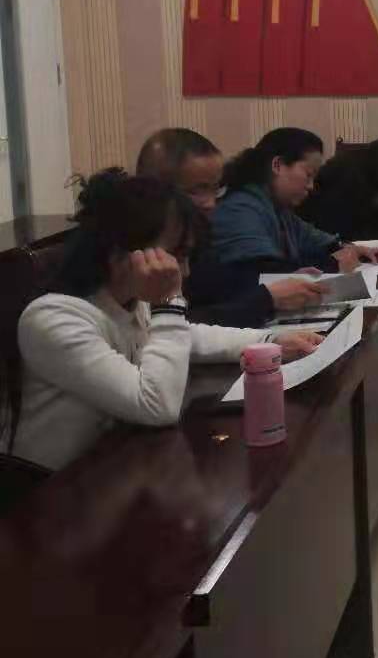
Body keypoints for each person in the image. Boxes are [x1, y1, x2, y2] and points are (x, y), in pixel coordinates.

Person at [5, 170, 321, 471]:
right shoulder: (53, 319)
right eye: (176, 255)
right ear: (121, 252)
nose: (184, 271)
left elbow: (188, 335)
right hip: (51, 489)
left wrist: (267, 342)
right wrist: (167, 303)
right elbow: (156, 405)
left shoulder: (128, 300)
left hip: (114, 463)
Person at [136, 128, 324, 328]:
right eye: (197, 190)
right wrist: (266, 299)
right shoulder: (136, 248)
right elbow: (181, 323)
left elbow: (219, 291)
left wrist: (283, 279)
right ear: (154, 189)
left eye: (216, 189)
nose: (211, 203)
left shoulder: (200, 232)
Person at [198, 128, 378, 303]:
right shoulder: (240, 207)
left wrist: (349, 248)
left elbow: (317, 241)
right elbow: (263, 274)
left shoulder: (277, 207)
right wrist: (333, 264)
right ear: (277, 165)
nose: (311, 186)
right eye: (308, 175)